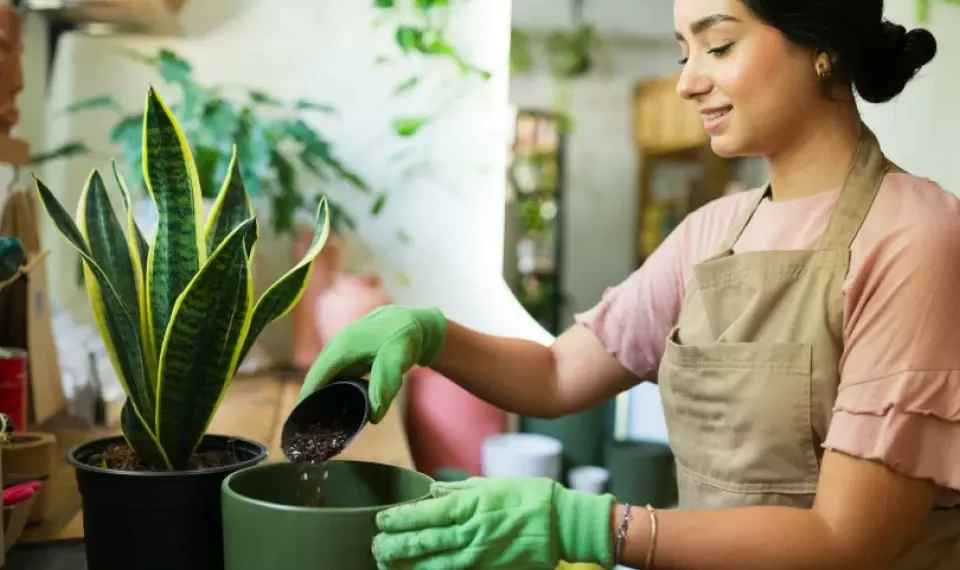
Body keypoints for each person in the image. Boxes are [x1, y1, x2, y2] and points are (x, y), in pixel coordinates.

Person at [301, 0, 960, 568]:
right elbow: (558, 374)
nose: (687, 82)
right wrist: (426, 334)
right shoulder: (712, 232)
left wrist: (594, 527)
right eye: (684, 53)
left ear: (821, 44)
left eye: (719, 44)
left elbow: (846, 541)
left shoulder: (915, 238)